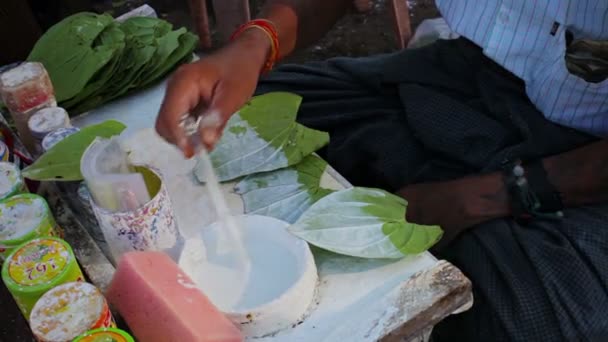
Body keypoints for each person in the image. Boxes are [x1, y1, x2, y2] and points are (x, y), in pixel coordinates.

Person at [156, 1, 608, 341]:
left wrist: (476, 198)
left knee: (525, 316)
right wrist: (256, 44)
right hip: (469, 75)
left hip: (582, 157)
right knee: (260, 125)